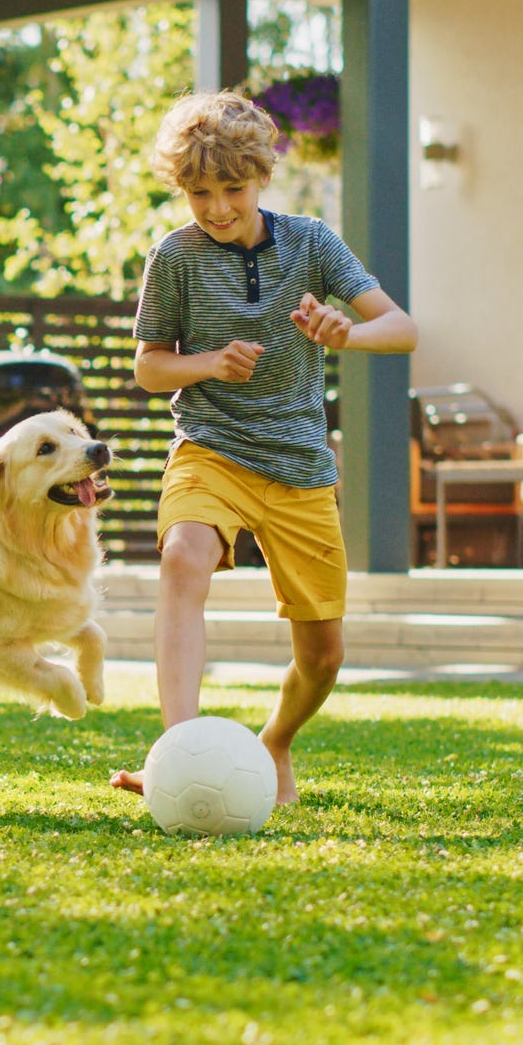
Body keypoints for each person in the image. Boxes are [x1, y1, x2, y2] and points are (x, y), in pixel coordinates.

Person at [109, 90, 417, 806]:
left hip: (298, 463)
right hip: (210, 447)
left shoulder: (310, 243)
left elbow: (399, 328)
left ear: (261, 177)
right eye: (198, 192)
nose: (215, 208)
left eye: (231, 189)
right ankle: (178, 754)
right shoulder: (174, 257)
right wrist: (209, 363)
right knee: (184, 556)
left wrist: (348, 332)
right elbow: (150, 367)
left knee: (323, 655)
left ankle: (274, 741)